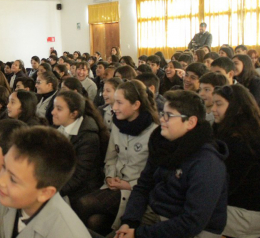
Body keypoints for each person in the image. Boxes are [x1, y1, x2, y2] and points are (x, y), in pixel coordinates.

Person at [116, 90, 228, 238]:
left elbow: (192, 222)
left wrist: (138, 234)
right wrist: (129, 222)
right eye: (162, 114)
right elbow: (143, 187)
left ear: (191, 122)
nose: (162, 119)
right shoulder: (162, 145)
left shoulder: (207, 163)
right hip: (156, 215)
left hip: (189, 230)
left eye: (169, 116)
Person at [75, 80, 159, 236]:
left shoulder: (155, 133)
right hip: (114, 185)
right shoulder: (118, 125)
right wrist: (110, 176)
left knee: (83, 203)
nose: (114, 108)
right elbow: (111, 158)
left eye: (119, 103)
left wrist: (129, 185)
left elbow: (154, 174)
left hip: (136, 191)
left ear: (136, 105)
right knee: (95, 222)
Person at [0, 126, 91, 238]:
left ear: (45, 193)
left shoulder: (66, 233)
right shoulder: (9, 202)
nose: (0, 181)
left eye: (13, 179)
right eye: (4, 167)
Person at [212, 85, 260, 238]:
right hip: (241, 210)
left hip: (245, 214)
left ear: (236, 107)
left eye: (218, 104)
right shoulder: (247, 132)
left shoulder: (238, 142)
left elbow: (223, 186)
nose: (213, 109)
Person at [52, 91, 107, 208]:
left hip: (82, 189)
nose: (53, 112)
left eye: (59, 109)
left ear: (73, 114)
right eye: (54, 108)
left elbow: (79, 177)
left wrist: (51, 191)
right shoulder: (61, 126)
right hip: (63, 181)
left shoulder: (88, 137)